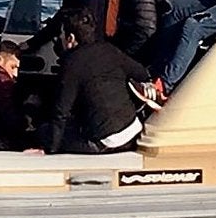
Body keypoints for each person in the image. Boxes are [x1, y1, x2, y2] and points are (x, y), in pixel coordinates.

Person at [40, 9, 152, 155]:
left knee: (43, 131)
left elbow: (61, 112)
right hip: (133, 130)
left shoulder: (71, 63)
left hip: (106, 142)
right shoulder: (109, 49)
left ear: (71, 38)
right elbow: (141, 73)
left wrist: (52, 150)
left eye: (61, 35)